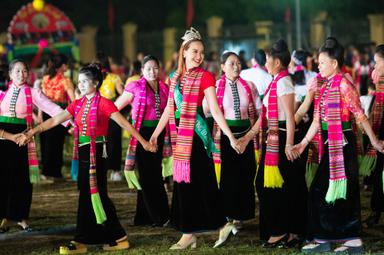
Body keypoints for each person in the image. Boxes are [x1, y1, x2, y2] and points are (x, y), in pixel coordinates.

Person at [19, 64, 155, 254]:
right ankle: (98, 236)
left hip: (98, 152)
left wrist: (144, 143)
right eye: (79, 81)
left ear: (96, 83)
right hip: (84, 152)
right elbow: (56, 120)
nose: (80, 85)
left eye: (84, 81)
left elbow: (125, 124)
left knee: (96, 194)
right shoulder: (78, 103)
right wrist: (32, 131)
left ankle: (97, 238)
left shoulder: (105, 103)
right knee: (87, 194)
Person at [149, 27, 240, 249]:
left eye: (201, 52)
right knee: (187, 185)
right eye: (194, 51)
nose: (198, 56)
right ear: (184, 52)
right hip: (180, 137)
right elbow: (170, 110)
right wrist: (154, 134)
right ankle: (202, 230)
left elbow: (216, 111)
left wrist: (230, 136)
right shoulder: (174, 78)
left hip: (197, 137)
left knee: (200, 183)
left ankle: (198, 230)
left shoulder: (206, 76)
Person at [293, 38, 384, 254]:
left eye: (322, 62)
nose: (318, 65)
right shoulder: (323, 86)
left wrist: (374, 141)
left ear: (334, 64)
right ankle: (328, 237)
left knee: (337, 191)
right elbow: (316, 120)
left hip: (343, 143)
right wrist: (302, 143)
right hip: (329, 142)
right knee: (324, 190)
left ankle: (347, 240)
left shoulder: (344, 84)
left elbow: (360, 116)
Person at [238, 39, 307, 248]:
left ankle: (283, 232)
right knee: (275, 186)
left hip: (283, 140)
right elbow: (265, 117)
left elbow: (290, 116)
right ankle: (286, 231)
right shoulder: (275, 81)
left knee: (277, 187)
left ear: (277, 62)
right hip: (273, 139)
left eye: (268, 59)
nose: (265, 62)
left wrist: (289, 145)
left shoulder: (284, 82)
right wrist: (247, 137)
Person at [0, 59, 68, 232]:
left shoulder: (33, 92)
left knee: (22, 178)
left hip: (23, 138)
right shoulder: (2, 94)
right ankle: (6, 217)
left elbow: (52, 108)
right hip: (3, 139)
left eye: (24, 71)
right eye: (17, 71)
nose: (21, 75)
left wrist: (71, 122)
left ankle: (21, 217)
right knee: (4, 178)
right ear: (10, 74)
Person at [115, 55, 170, 226]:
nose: (152, 72)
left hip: (159, 134)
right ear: (142, 71)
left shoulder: (164, 88)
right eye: (148, 69)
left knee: (155, 174)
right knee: (148, 176)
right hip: (142, 135)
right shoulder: (135, 86)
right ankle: (159, 216)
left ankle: (143, 217)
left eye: (155, 68)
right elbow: (115, 108)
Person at [212, 51, 261, 232]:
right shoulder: (216, 87)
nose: (236, 66)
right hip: (225, 137)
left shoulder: (250, 86)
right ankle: (228, 215)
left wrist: (248, 137)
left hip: (246, 136)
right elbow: (210, 111)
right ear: (223, 67)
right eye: (231, 63)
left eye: (238, 63)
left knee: (246, 174)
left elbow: (258, 110)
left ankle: (242, 215)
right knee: (228, 176)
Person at [40, 53, 75, 180]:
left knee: (47, 142)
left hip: (46, 112)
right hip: (60, 112)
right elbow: (73, 99)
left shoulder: (45, 79)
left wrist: (39, 115)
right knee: (57, 143)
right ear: (63, 66)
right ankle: (55, 172)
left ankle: (47, 171)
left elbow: (41, 100)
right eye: (66, 64)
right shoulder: (65, 80)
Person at [362, 45, 384, 228]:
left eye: (377, 62)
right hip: (381, 131)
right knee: (379, 172)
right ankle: (376, 211)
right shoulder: (379, 79)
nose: (374, 66)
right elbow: (378, 106)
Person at [93, 51, 124, 181]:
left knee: (101, 142)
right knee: (114, 142)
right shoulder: (114, 78)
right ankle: (115, 171)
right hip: (112, 113)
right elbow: (123, 95)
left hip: (98, 113)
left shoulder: (93, 79)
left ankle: (102, 170)